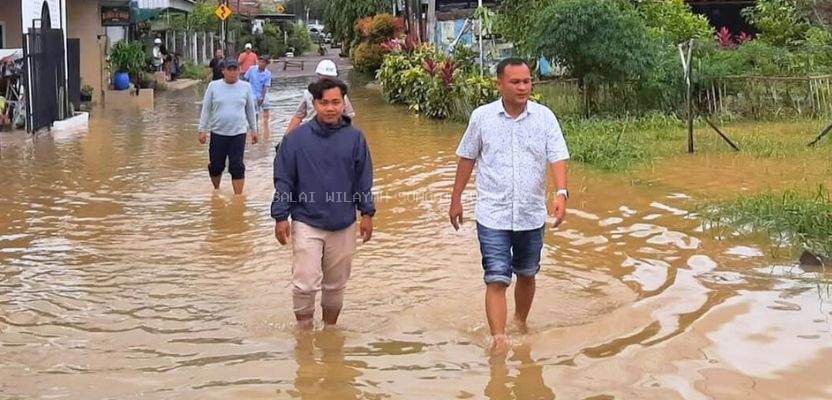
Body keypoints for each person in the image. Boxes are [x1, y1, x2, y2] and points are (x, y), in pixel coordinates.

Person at [448, 58, 570, 354]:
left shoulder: (544, 117)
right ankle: (499, 337)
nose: (523, 87)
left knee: (527, 273)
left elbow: (557, 155)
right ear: (499, 84)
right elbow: (467, 157)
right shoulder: (482, 117)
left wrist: (561, 193)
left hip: (531, 213)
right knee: (497, 277)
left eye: (527, 81)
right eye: (515, 82)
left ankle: (520, 320)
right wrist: (456, 199)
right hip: (493, 213)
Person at [272, 78, 375, 330]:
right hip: (306, 220)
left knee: (336, 284)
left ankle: (330, 332)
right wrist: (280, 216)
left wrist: (367, 213)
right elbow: (284, 179)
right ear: (314, 104)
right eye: (324, 103)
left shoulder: (355, 139)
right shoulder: (295, 140)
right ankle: (304, 333)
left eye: (335, 102)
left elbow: (364, 180)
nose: (330, 108)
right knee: (305, 283)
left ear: (344, 104)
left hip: (343, 223)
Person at [197, 60, 259, 195]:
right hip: (218, 132)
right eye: (229, 69)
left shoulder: (245, 87)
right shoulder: (213, 86)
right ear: (223, 71)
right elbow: (206, 109)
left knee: (237, 166)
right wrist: (202, 130)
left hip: (238, 133)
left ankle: (238, 198)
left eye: (235, 69)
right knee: (216, 166)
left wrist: (254, 130)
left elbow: (250, 110)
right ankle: (216, 190)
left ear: (239, 70)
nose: (232, 72)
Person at [285, 59, 355, 134]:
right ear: (318, 76)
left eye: (330, 79)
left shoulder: (340, 95)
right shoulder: (308, 94)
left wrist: (351, 136)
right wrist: (286, 139)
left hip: (334, 132)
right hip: (311, 132)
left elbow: (349, 117)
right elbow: (298, 117)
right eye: (324, 78)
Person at [244, 55, 272, 139]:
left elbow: (265, 87)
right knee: (253, 112)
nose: (261, 63)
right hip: (251, 93)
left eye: (263, 62)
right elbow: (245, 79)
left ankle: (266, 127)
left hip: (261, 93)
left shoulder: (268, 73)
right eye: (260, 61)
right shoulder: (251, 69)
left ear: (266, 64)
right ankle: (254, 129)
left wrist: (262, 98)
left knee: (266, 108)